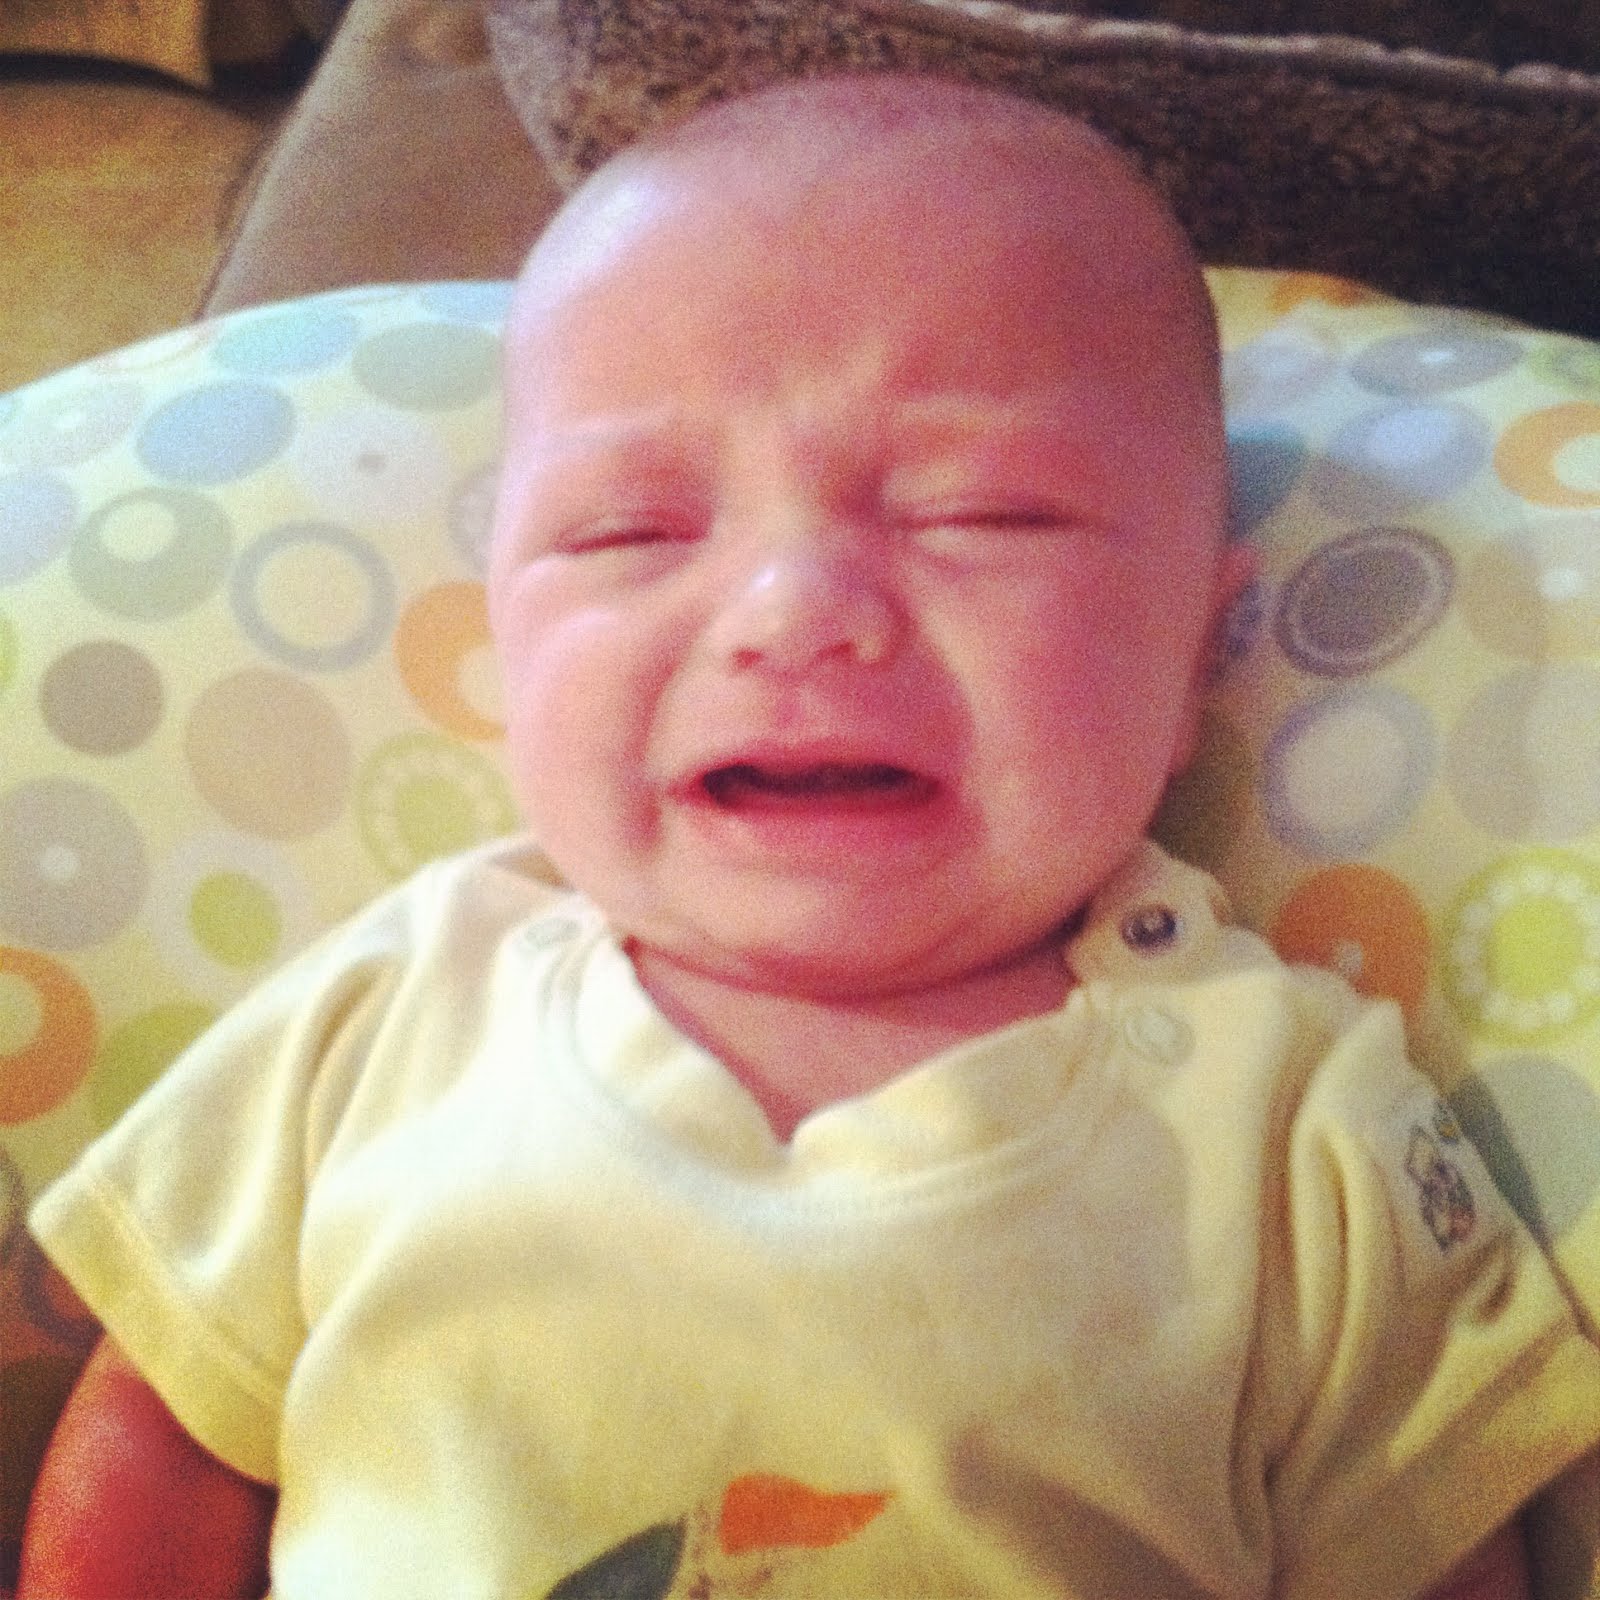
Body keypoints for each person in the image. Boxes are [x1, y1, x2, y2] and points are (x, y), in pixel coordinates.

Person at [19, 73, 1600, 1600]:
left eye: (977, 513)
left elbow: (1434, 1558)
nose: (791, 611)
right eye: (632, 529)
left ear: (1196, 651)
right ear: (503, 619)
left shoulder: (1297, 1129)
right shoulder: (395, 1008)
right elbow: (169, 1430)